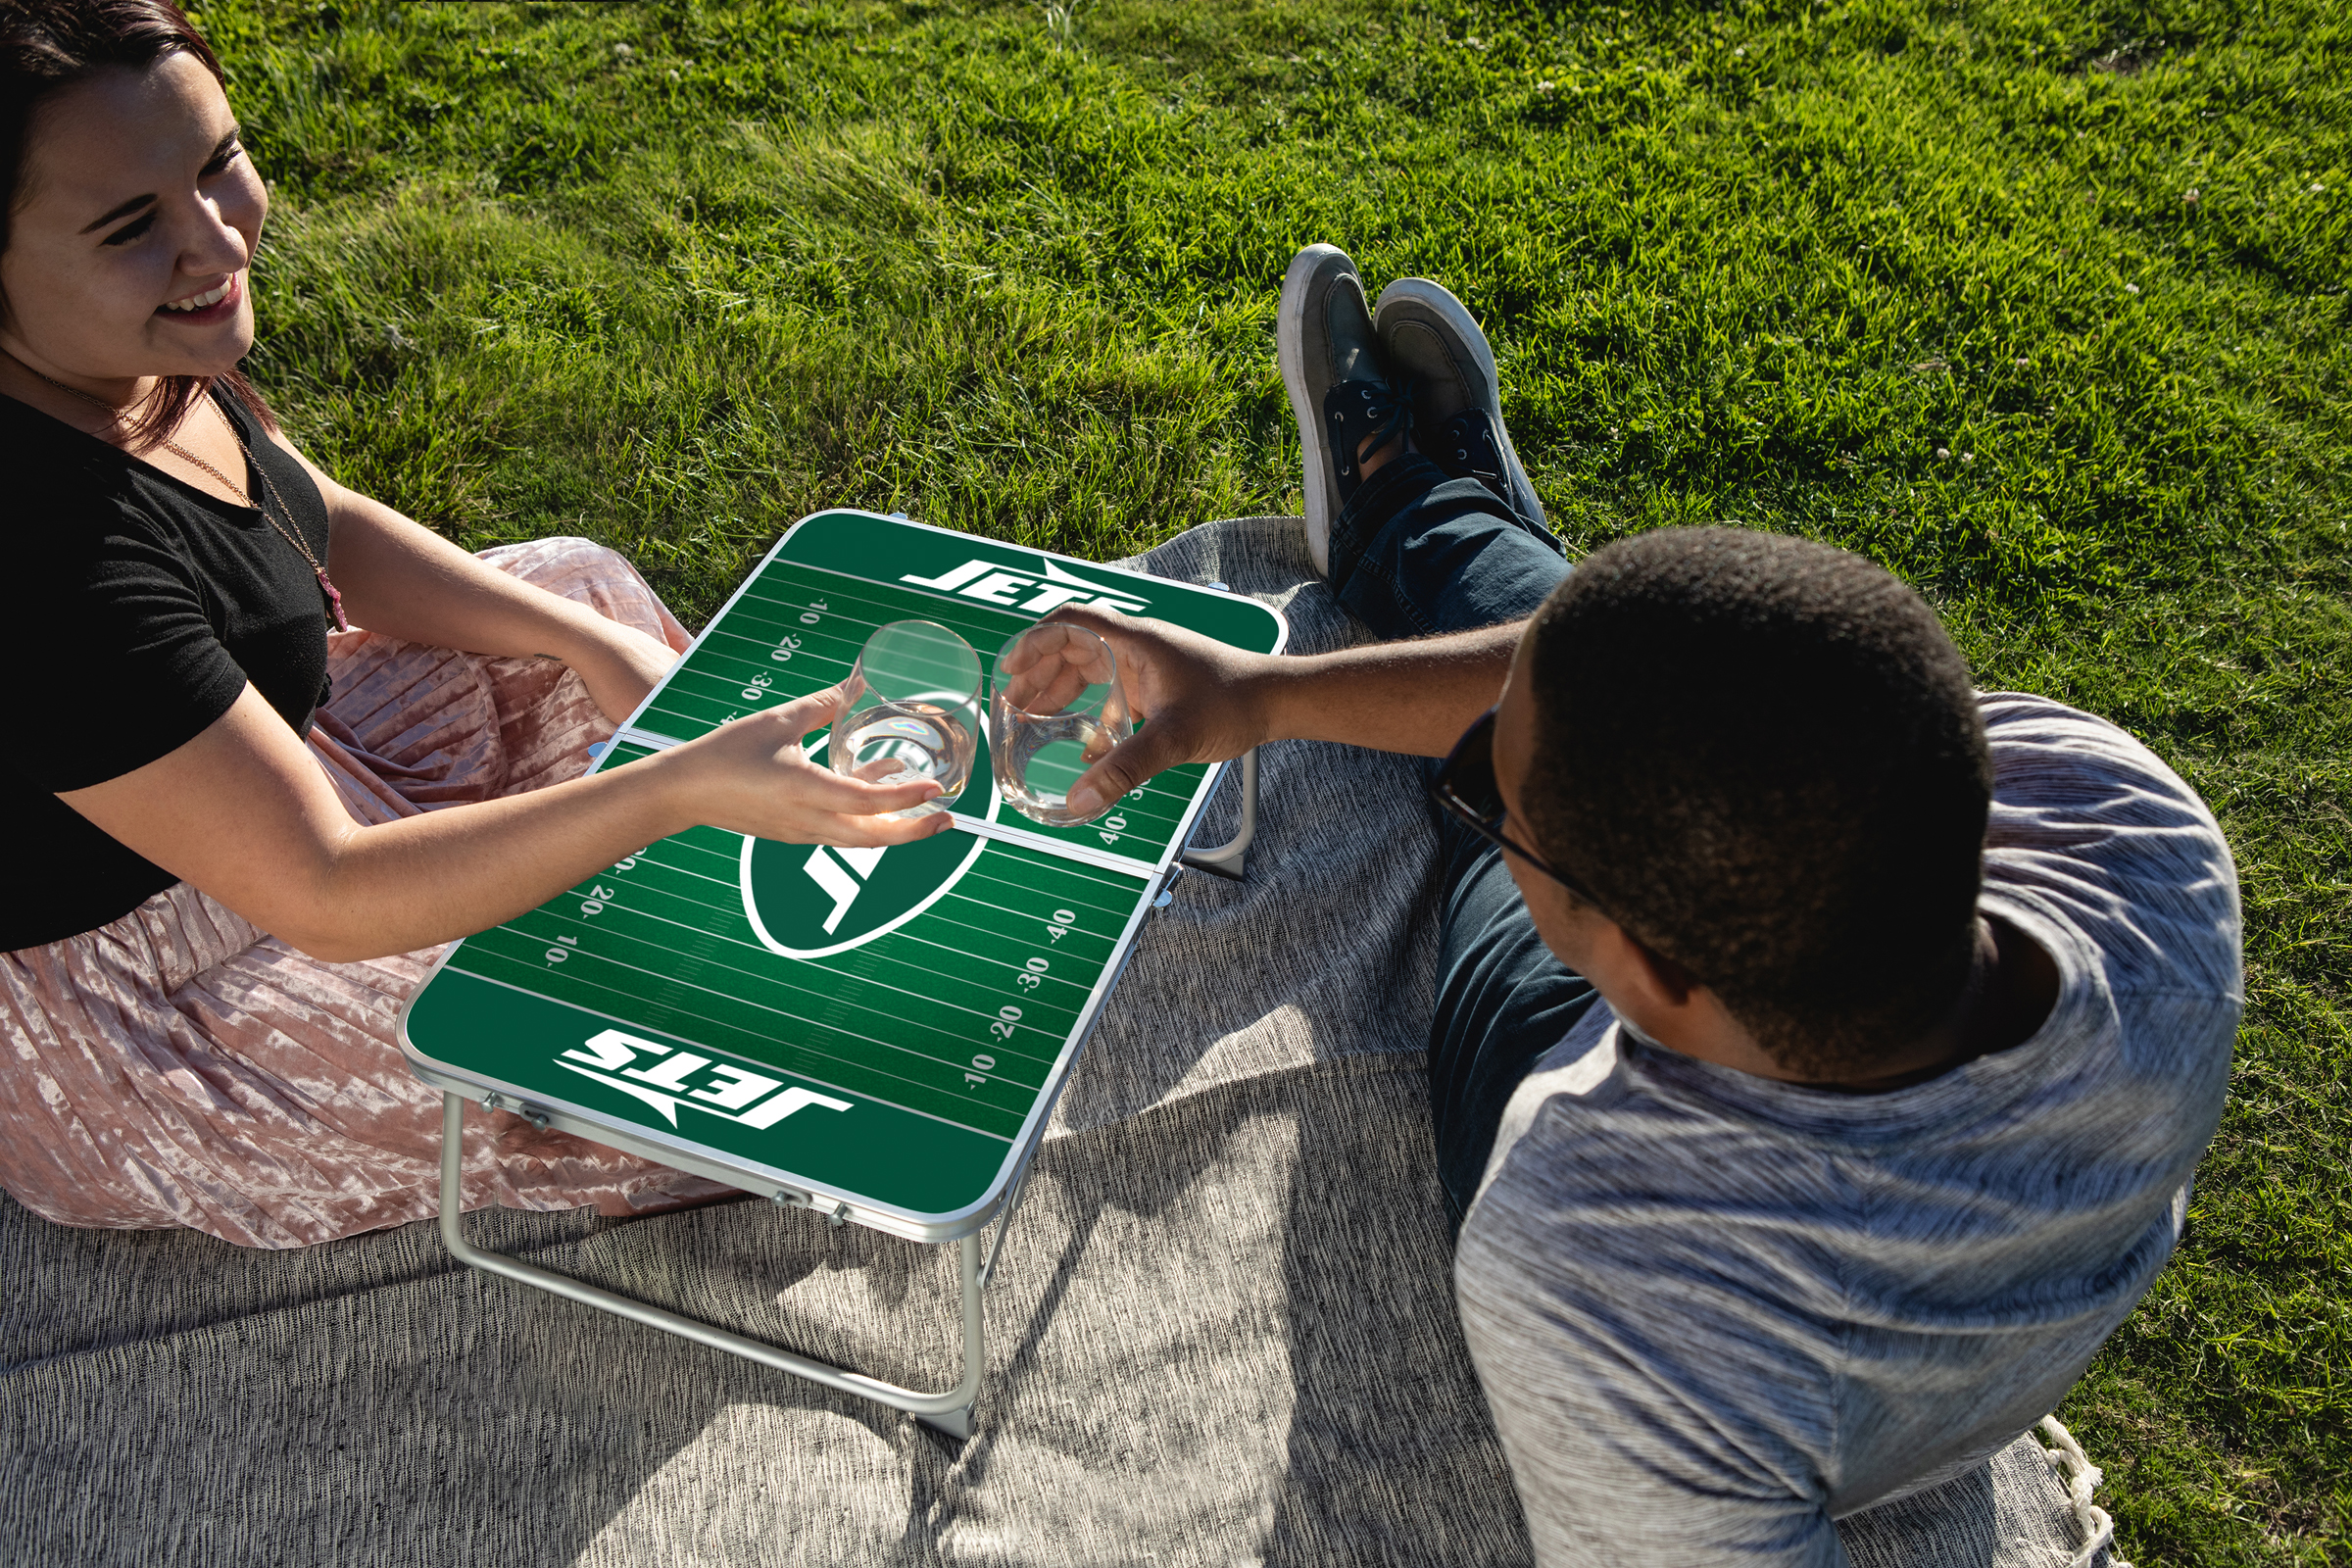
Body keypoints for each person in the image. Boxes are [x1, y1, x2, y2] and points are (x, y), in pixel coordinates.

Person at [1046, 243, 2239, 1564]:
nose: (1479, 803)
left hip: (1575, 1080)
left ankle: (1428, 519)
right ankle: (1444, 525)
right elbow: (1702, 694)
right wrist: (1259, 697)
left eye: (1496, 809)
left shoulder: (1603, 1260)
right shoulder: (2134, 826)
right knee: (1623, 673)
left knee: (1538, 763)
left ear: (1645, 972)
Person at [0, 0, 952, 1248]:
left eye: (218, 161)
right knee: (633, 1045)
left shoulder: (125, 355)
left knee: (575, 587)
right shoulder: (41, 551)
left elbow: (314, 520)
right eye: (133, 226)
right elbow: (328, 891)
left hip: (287, 774)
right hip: (161, 1005)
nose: (216, 237)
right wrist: (671, 790)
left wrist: (590, 645)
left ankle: (730, 851)